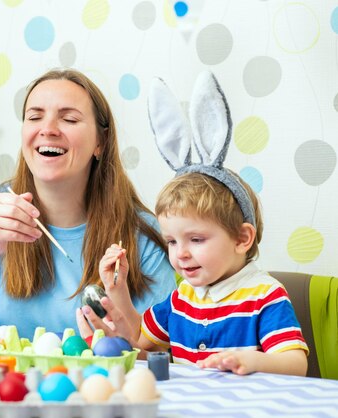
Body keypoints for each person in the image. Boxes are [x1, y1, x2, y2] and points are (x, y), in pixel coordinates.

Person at [78, 72, 308, 376]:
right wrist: (117, 291)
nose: (180, 254)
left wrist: (251, 362)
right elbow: (141, 342)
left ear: (242, 238)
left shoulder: (264, 296)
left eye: (196, 240)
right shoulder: (181, 299)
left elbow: (296, 365)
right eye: (172, 242)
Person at [0, 69, 176, 340]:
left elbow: (161, 352)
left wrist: (126, 345)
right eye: (34, 117)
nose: (47, 129)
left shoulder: (141, 231)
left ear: (100, 142)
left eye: (69, 119)